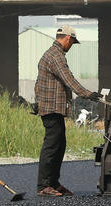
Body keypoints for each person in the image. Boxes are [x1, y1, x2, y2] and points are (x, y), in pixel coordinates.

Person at [35, 24, 100, 197]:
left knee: (59, 144)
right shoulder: (56, 56)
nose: (71, 46)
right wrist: (88, 94)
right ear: (68, 39)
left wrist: (37, 102)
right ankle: (44, 185)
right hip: (51, 108)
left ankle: (53, 183)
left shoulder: (51, 54)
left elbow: (39, 82)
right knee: (51, 146)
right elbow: (69, 79)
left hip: (51, 108)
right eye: (72, 43)